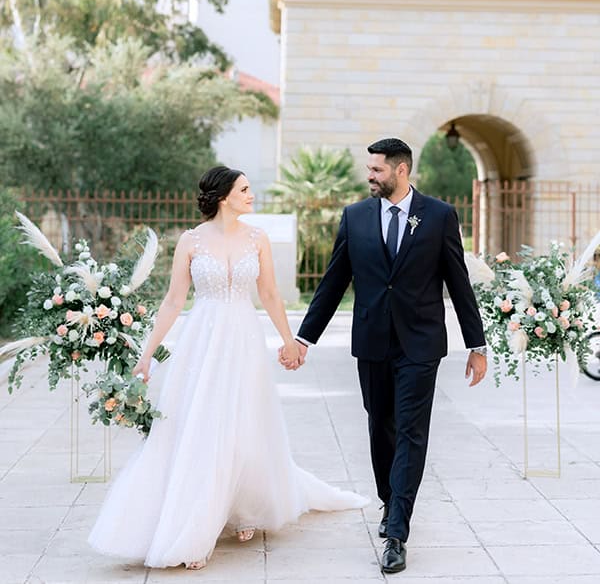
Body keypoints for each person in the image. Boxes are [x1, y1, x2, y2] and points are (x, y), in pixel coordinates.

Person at [88, 165, 368, 570]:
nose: (252, 195)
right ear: (223, 196)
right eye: (245, 189)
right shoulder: (190, 241)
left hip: (244, 340)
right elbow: (173, 301)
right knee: (201, 423)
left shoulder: (258, 239)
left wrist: (290, 340)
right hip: (202, 341)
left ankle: (244, 508)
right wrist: (147, 353)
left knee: (244, 422)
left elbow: (269, 293)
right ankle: (195, 525)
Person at [280, 138, 487, 575]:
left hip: (420, 344)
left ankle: (397, 531)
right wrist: (304, 339)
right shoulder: (355, 217)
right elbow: (333, 282)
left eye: (377, 170)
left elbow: (458, 281)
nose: (370, 176)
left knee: (411, 429)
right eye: (369, 169)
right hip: (372, 341)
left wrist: (477, 345)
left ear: (401, 170)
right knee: (381, 424)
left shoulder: (439, 216)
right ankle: (389, 500)